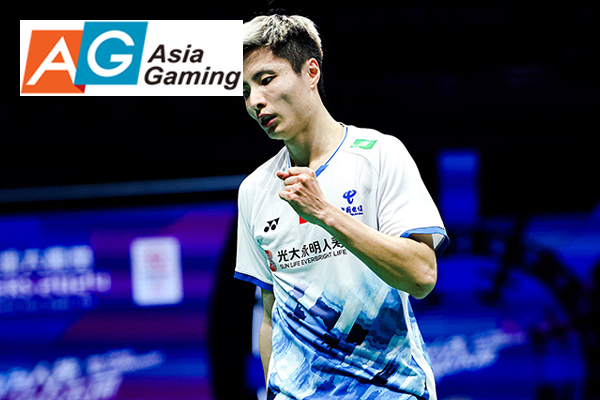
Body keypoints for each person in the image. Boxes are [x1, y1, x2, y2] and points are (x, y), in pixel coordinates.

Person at [235, 13, 449, 400]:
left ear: (311, 72)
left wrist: (326, 213)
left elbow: (421, 275)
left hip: (389, 390)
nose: (255, 102)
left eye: (265, 80)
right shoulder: (254, 189)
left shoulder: (379, 155)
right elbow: (270, 315)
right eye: (245, 91)